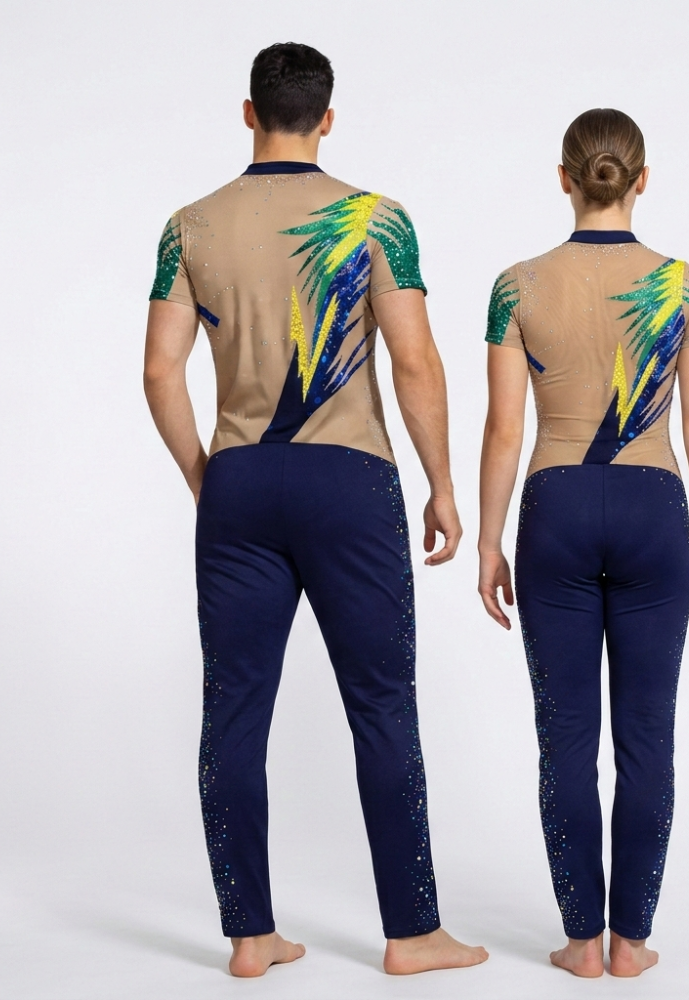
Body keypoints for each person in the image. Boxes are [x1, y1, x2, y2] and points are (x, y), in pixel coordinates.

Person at [143, 42, 487, 978]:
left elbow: (161, 372)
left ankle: (250, 937)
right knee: (382, 705)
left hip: (241, 481)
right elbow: (414, 361)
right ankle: (412, 934)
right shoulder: (377, 220)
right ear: (327, 119)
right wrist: (442, 484)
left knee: (233, 711)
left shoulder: (189, 226)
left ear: (248, 113)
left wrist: (204, 475)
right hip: (348, 482)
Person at [477, 108, 689, 978]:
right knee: (646, 739)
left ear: (564, 179)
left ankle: (581, 941)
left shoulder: (516, 286)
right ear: (641, 179)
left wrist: (488, 542)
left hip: (554, 507)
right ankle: (632, 943)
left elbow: (504, 431)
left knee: (566, 740)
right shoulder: (687, 287)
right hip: (654, 507)